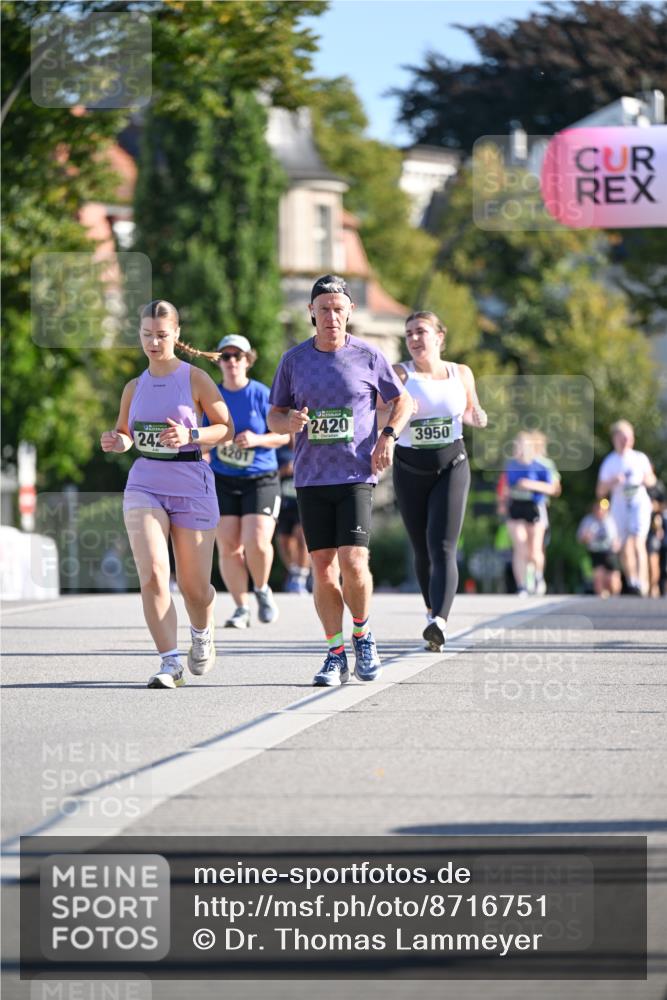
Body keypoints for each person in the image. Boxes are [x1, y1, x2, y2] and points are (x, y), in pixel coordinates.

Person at [267, 274, 413, 686]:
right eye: (324, 308)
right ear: (311, 313)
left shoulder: (368, 356)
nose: (332, 316)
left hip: (354, 474)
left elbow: (402, 400)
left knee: (353, 561)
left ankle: (363, 635)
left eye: (338, 308)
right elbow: (274, 417)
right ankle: (335, 653)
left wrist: (388, 436)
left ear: (349, 311)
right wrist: (288, 421)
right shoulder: (293, 361)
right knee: (323, 570)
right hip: (312, 478)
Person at [100, 299, 233, 688]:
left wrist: (191, 434)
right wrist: (118, 441)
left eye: (161, 335)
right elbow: (126, 433)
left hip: (191, 481)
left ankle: (202, 631)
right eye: (146, 335)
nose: (154, 343)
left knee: (194, 589)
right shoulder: (133, 387)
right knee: (155, 573)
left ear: (176, 334)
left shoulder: (195, 379)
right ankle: (169, 661)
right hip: (145, 482)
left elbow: (225, 427)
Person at [389, 310, 487, 652]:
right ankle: (432, 611)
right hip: (409, 469)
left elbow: (471, 410)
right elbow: (375, 415)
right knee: (422, 548)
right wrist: (398, 415)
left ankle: (439, 621)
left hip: (452, 465)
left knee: (443, 545)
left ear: (439, 337)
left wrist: (479, 417)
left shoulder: (461, 373)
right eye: (409, 334)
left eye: (421, 332)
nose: (415, 339)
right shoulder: (400, 374)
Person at [205, 334, 289, 628]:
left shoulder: (261, 394)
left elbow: (284, 434)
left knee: (257, 541)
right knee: (228, 547)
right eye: (225, 357)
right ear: (219, 362)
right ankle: (241, 608)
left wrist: (257, 439)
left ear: (247, 361)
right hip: (223, 479)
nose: (231, 362)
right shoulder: (211, 397)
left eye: (237, 356)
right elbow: (202, 441)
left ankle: (262, 589)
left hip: (261, 478)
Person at [596, 420, 656, 596]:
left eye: (629, 437)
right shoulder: (610, 462)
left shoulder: (639, 458)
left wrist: (645, 478)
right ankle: (632, 581)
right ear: (615, 438)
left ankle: (643, 582)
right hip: (619, 503)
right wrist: (613, 481)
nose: (627, 440)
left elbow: (652, 480)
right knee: (624, 545)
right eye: (623, 437)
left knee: (638, 541)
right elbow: (600, 491)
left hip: (639, 501)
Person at [502, 431, 559, 597]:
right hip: (516, 506)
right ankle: (521, 586)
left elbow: (553, 489)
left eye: (522, 445)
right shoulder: (511, 464)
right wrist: (504, 500)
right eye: (516, 445)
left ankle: (538, 577)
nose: (518, 448)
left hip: (535, 506)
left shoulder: (542, 465)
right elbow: (506, 486)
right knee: (520, 545)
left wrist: (530, 484)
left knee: (534, 549)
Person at [275, 440, 311, 593]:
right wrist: (283, 471)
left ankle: (301, 577)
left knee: (302, 537)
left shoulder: (308, 445)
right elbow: (266, 472)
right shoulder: (278, 449)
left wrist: (298, 470)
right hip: (283, 501)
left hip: (302, 499)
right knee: (284, 542)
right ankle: (293, 570)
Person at [576, 499, 622, 597]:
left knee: (613, 580)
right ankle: (601, 600)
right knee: (598, 578)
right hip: (596, 552)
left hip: (610, 552)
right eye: (598, 508)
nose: (600, 511)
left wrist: (617, 544)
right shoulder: (588, 520)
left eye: (602, 509)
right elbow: (580, 538)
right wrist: (585, 537)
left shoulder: (612, 520)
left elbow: (619, 537)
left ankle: (616, 597)